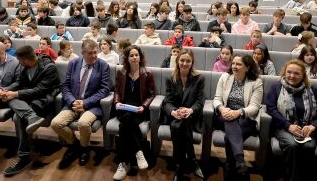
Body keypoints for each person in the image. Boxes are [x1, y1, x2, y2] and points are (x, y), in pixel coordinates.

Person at [0, 45, 60, 177]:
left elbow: (41, 90)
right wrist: (6, 90)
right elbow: (19, 83)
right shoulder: (25, 66)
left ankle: (24, 157)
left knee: (17, 116)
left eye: (19, 60)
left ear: (25, 59)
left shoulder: (50, 68)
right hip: (28, 100)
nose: (18, 63)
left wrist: (14, 94)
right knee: (8, 97)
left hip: (43, 102)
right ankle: (31, 116)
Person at [266, 59, 317, 181]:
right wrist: (288, 126)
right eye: (289, 72)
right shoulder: (276, 88)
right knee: (293, 145)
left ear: (303, 75)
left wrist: (313, 126)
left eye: (296, 73)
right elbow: (271, 109)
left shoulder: (312, 90)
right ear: (284, 73)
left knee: (309, 147)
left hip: (307, 128)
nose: (292, 76)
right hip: (284, 126)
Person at [51, 40, 110, 169]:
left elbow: (105, 90)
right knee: (55, 124)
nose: (94, 56)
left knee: (83, 123)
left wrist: (85, 102)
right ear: (83, 53)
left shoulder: (103, 65)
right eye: (90, 53)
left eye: (96, 52)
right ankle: (75, 144)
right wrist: (72, 101)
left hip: (92, 105)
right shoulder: (73, 63)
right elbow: (65, 86)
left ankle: (84, 149)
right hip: (73, 103)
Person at [213, 54, 263, 177]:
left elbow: (254, 106)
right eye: (233, 63)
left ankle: (230, 167)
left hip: (245, 117)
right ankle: (240, 160)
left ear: (247, 67)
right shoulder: (225, 77)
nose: (234, 66)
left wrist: (238, 112)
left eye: (239, 64)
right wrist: (221, 108)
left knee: (228, 137)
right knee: (230, 121)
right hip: (224, 115)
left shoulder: (256, 82)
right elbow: (217, 99)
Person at [113, 45, 156, 180]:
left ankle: (123, 163)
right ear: (127, 58)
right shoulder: (121, 72)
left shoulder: (147, 73)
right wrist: (117, 102)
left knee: (124, 124)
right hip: (124, 107)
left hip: (139, 109)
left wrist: (144, 106)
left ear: (140, 57)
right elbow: (117, 92)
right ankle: (138, 151)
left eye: (136, 55)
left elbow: (151, 94)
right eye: (131, 55)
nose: (134, 57)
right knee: (126, 118)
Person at [162, 49, 204, 180]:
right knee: (179, 125)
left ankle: (179, 165)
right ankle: (192, 161)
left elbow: (200, 101)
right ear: (177, 61)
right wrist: (174, 112)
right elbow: (167, 101)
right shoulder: (170, 78)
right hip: (176, 114)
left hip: (191, 115)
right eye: (182, 60)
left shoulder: (199, 78)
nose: (184, 63)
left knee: (179, 126)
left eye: (188, 61)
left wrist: (190, 110)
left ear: (192, 63)